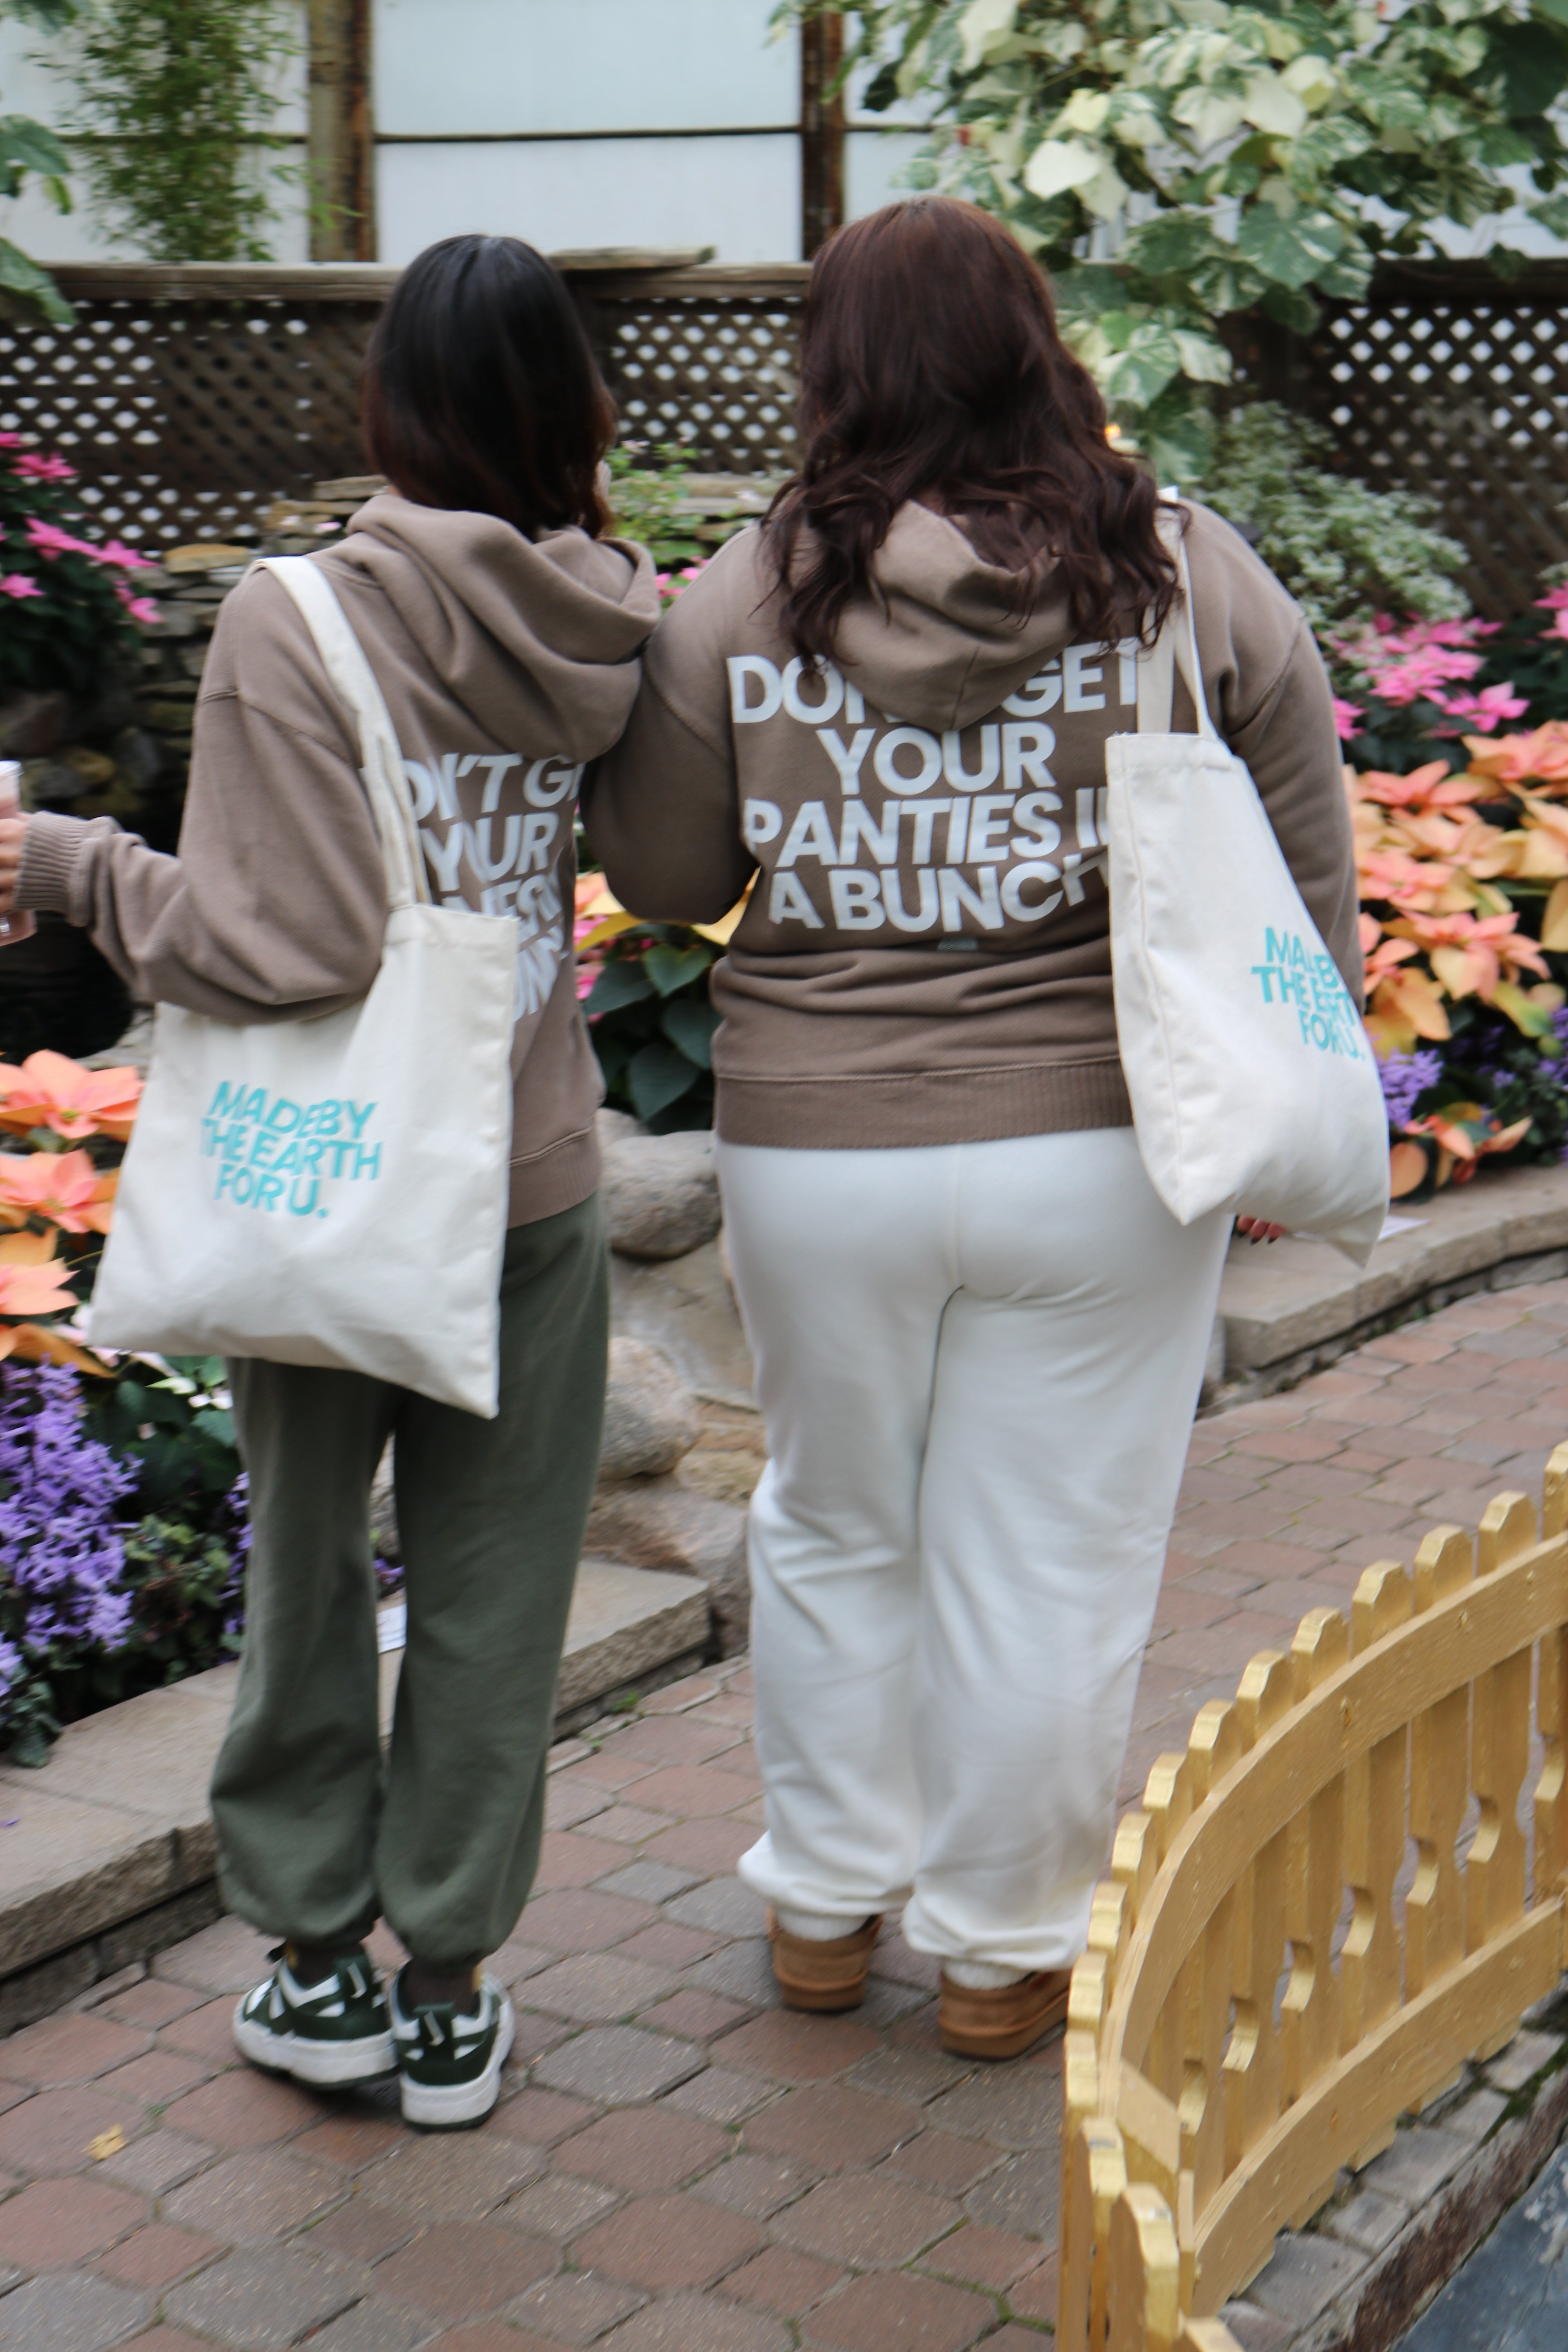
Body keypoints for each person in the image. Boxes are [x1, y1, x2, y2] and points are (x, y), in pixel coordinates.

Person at [584, 196, 1354, 2061]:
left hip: (817, 1148)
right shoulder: (1178, 568)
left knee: (839, 1523)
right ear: (1034, 343)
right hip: (1102, 1146)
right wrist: (1285, 1090)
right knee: (1052, 1555)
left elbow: (673, 882)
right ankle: (1004, 1951)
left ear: (831, 363)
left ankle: (829, 1916)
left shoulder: (743, 597)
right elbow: (1305, 839)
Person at [0, 235, 659, 2125]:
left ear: (393, 400)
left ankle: (314, 1972)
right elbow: (672, 848)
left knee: (302, 1578)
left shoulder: (299, 618)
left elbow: (271, 948)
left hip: (335, 1180)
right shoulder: (621, 619)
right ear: (577, 414)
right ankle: (450, 1993)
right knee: (493, 1593)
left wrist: (67, 867)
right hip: (529, 1176)